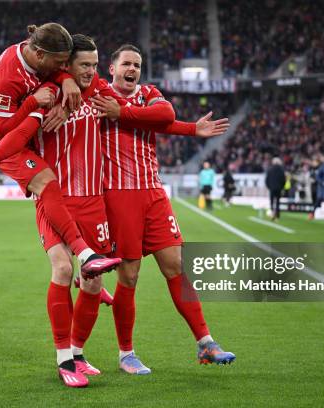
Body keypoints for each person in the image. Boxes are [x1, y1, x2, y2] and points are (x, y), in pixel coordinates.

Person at [92, 44, 235, 374]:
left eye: (137, 65)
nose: (133, 69)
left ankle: (205, 343)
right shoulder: (99, 96)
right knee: (129, 276)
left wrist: (123, 113)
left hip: (154, 194)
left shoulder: (147, 93)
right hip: (119, 196)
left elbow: (164, 116)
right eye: (126, 63)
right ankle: (126, 354)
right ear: (111, 69)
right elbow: (155, 122)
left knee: (175, 267)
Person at [0, 22, 120, 279]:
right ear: (40, 55)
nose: (62, 67)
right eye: (59, 63)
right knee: (47, 182)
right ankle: (85, 253)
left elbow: (70, 76)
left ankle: (84, 261)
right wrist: (33, 102)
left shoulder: (41, 57)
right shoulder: (6, 78)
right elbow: (6, 132)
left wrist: (67, 81)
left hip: (28, 127)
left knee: (50, 186)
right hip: (5, 143)